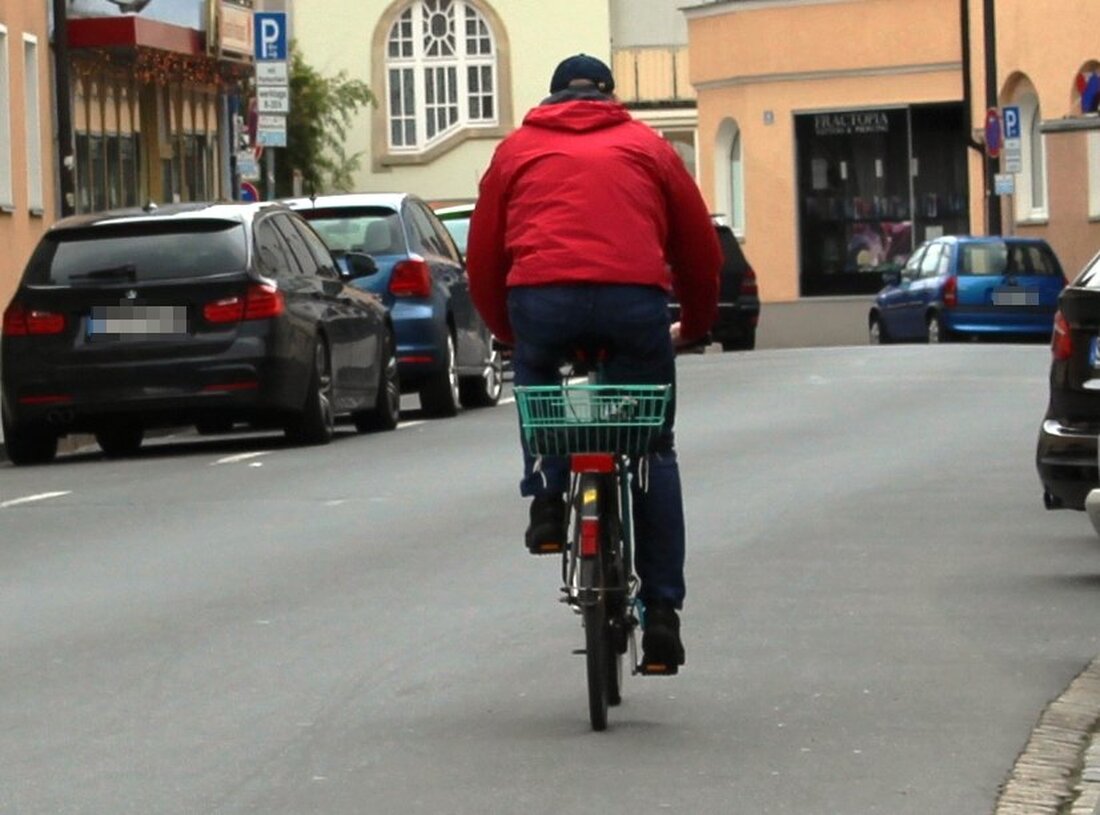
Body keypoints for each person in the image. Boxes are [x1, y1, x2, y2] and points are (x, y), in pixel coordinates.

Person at [465, 53, 721, 672]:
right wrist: (698, 324)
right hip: (632, 303)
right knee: (655, 447)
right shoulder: (649, 147)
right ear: (609, 96)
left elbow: (483, 253)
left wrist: (509, 332)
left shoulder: (516, 150)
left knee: (538, 382)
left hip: (542, 301)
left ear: (552, 96)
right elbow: (698, 247)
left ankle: (550, 498)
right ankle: (662, 614)